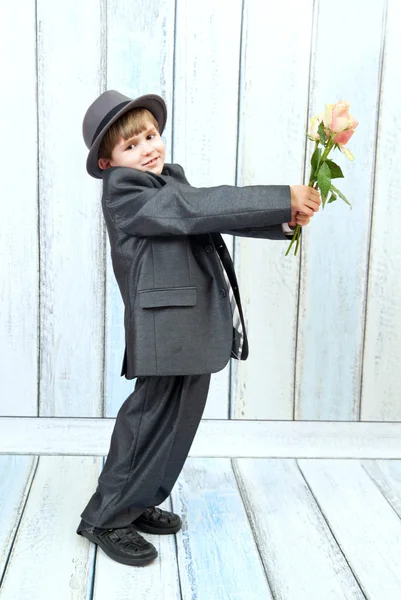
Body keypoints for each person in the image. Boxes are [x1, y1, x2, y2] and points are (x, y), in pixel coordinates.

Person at [76, 90, 321, 567]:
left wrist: (283, 219)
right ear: (108, 163)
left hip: (189, 324)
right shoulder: (125, 194)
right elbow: (199, 209)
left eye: (151, 135)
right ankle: (104, 517)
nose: (148, 147)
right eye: (132, 145)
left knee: (178, 421)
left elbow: (208, 218)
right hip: (163, 326)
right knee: (149, 419)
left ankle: (137, 500)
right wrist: (278, 196)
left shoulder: (168, 182)